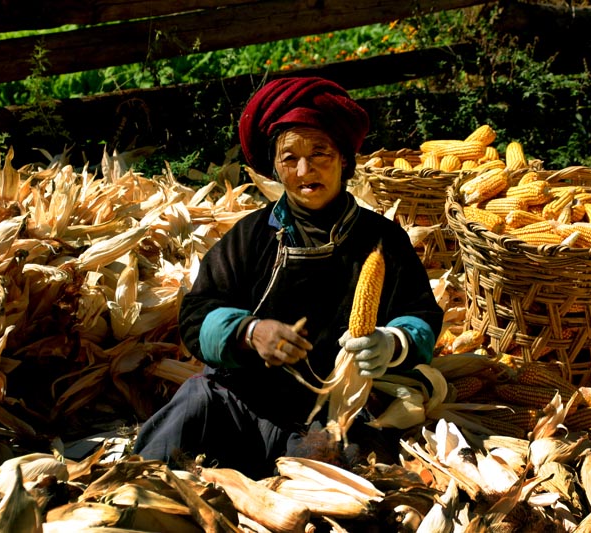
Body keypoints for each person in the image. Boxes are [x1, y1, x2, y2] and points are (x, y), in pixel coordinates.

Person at [132, 76, 443, 479]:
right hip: (247, 400)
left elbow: (420, 315)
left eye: (320, 153)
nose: (304, 169)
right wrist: (249, 332)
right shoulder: (251, 236)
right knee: (194, 403)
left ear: (345, 160)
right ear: (275, 167)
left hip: (335, 411)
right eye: (289, 158)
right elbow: (196, 315)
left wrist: (392, 342)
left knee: (340, 477)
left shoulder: (381, 240)